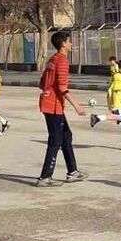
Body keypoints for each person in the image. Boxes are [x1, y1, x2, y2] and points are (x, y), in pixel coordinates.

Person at [37, 31, 88, 187]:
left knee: (66, 136)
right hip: (53, 106)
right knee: (56, 140)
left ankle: (72, 171)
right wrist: (77, 106)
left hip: (50, 103)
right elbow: (62, 87)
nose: (71, 44)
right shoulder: (62, 61)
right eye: (69, 41)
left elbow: (42, 82)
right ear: (63, 44)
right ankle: (45, 177)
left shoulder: (52, 59)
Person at [91, 58, 121, 150]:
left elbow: (116, 90)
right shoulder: (119, 77)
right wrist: (114, 104)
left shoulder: (117, 76)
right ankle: (97, 118)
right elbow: (115, 91)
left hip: (118, 103)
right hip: (117, 104)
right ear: (120, 69)